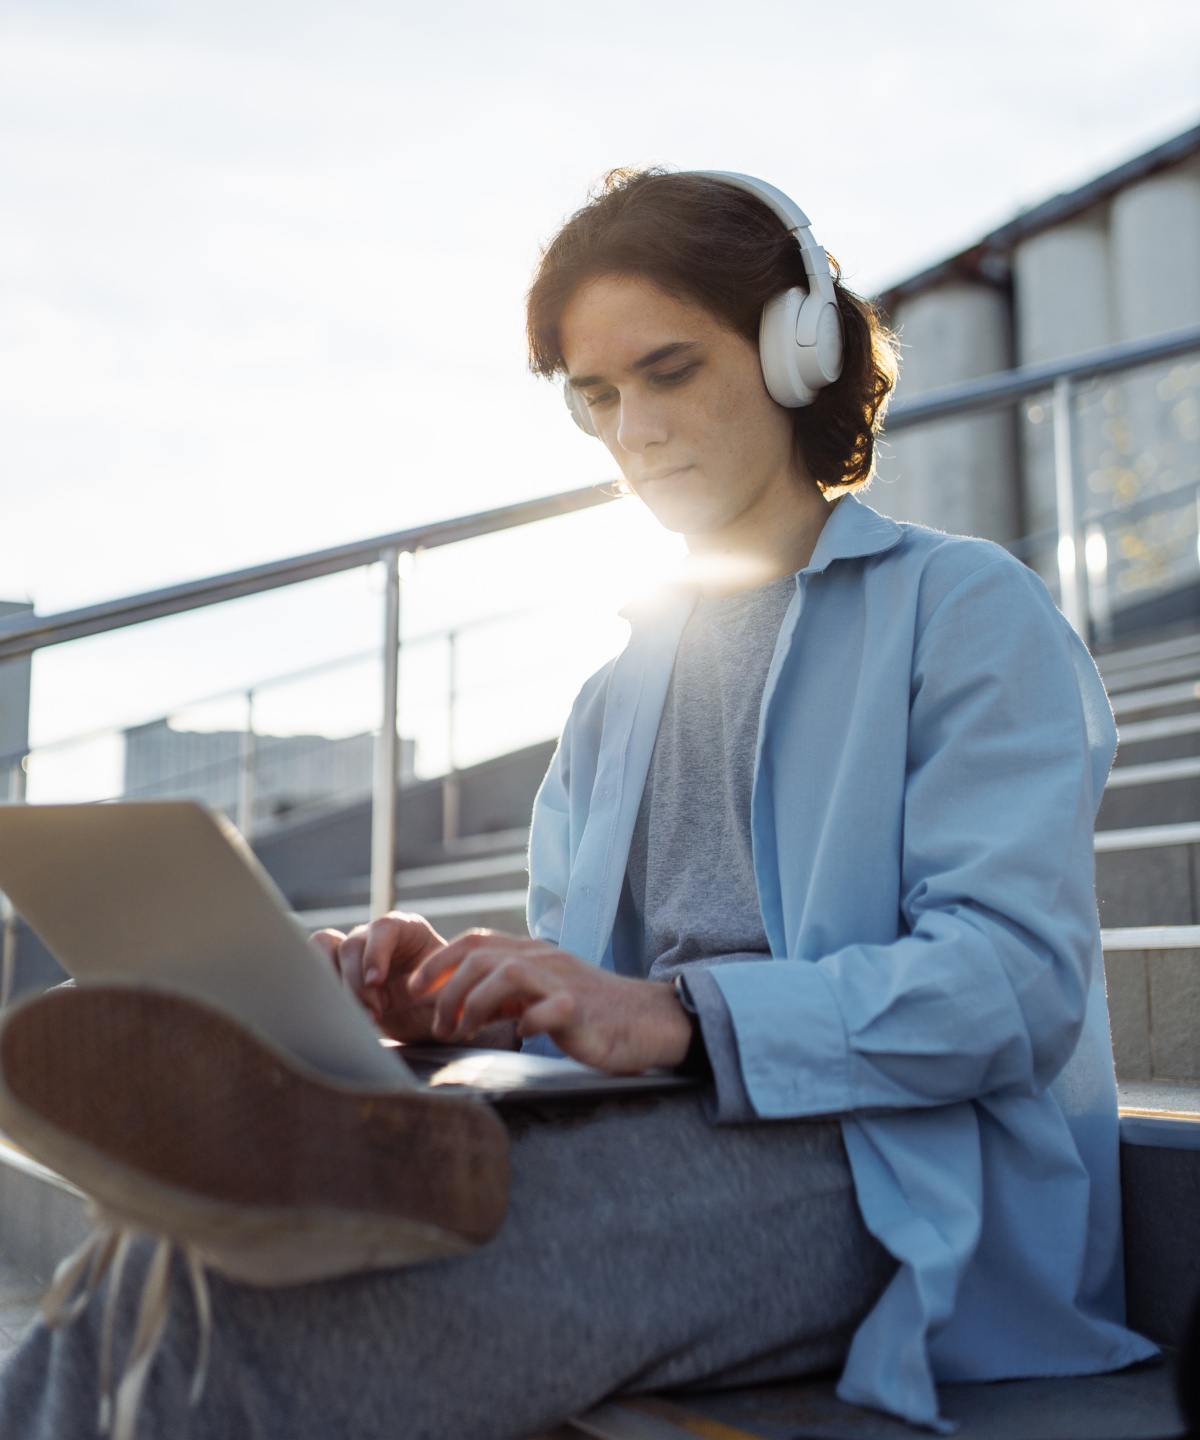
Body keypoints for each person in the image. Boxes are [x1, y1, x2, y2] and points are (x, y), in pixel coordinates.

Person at [0, 168, 1156, 1439]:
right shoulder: (619, 687)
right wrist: (451, 986)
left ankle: (321, 1156)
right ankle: (330, 1115)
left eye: (670, 370)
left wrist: (680, 1014)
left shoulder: (965, 610)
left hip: (884, 1173)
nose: (634, 431)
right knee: (156, 1257)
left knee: (255, 1313)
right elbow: (590, 998)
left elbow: (1013, 985)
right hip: (654, 1133)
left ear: (796, 351)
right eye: (598, 397)